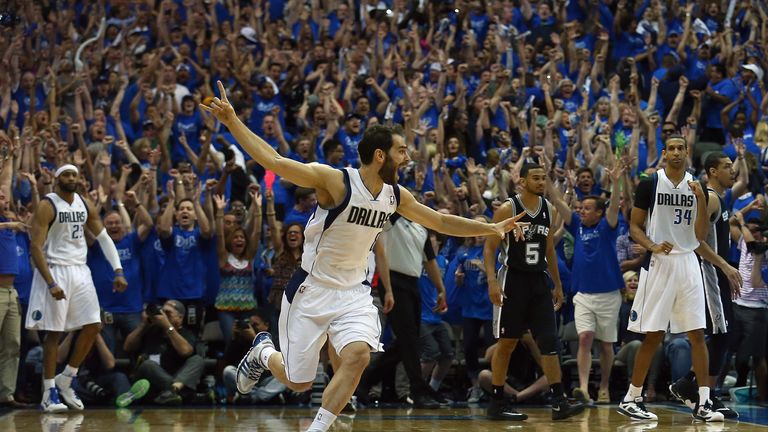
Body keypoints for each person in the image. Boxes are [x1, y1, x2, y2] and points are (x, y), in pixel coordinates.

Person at [201, 81, 526, 432]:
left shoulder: (395, 195)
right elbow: (276, 162)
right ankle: (263, 352)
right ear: (381, 155)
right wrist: (233, 121)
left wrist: (490, 229)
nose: (408, 156)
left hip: (353, 293)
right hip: (312, 289)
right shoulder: (336, 181)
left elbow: (441, 220)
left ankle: (317, 430)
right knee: (298, 382)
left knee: (356, 357)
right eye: (402, 150)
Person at [618, 136, 741, 422]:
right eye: (670, 148)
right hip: (660, 262)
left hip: (688, 262)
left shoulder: (696, 186)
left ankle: (703, 403)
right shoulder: (651, 183)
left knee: (698, 334)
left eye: (680, 148)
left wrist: (700, 199)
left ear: (686, 153)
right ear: (664, 154)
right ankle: (632, 397)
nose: (675, 153)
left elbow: (698, 236)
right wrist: (650, 246)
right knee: (654, 335)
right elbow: (634, 226)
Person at [483, 163, 586, 421]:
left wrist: (558, 284)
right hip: (513, 281)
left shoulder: (549, 210)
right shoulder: (508, 209)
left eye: (544, 178)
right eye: (536, 178)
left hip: (539, 281)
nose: (541, 182)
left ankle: (559, 402)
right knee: (507, 343)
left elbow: (549, 250)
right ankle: (496, 402)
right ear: (523, 181)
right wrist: (492, 282)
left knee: (550, 343)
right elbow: (489, 248)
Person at [27, 164, 128, 412]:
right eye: (67, 174)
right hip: (55, 268)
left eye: (75, 174)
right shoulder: (47, 205)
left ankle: (67, 378)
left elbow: (103, 238)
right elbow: (36, 247)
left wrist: (118, 270)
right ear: (57, 179)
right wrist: (50, 282)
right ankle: (48, 391)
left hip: (80, 270)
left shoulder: (84, 203)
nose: (72, 178)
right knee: (53, 332)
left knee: (94, 325)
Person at [668, 151, 745, 418]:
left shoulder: (719, 199)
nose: (731, 170)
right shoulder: (710, 199)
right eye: (726, 166)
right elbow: (695, 240)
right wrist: (724, 265)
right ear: (712, 171)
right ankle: (700, 390)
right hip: (708, 272)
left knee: (724, 334)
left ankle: (698, 388)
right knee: (722, 333)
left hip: (717, 273)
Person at [122, 299, 205, 405]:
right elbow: (127, 347)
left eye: (168, 314)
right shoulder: (150, 331)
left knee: (197, 360)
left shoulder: (187, 334)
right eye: (162, 312)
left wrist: (167, 326)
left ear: (180, 318)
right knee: (148, 364)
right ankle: (174, 391)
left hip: (175, 376)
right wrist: (143, 325)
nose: (163, 316)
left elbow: (185, 352)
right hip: (148, 383)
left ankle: (171, 392)